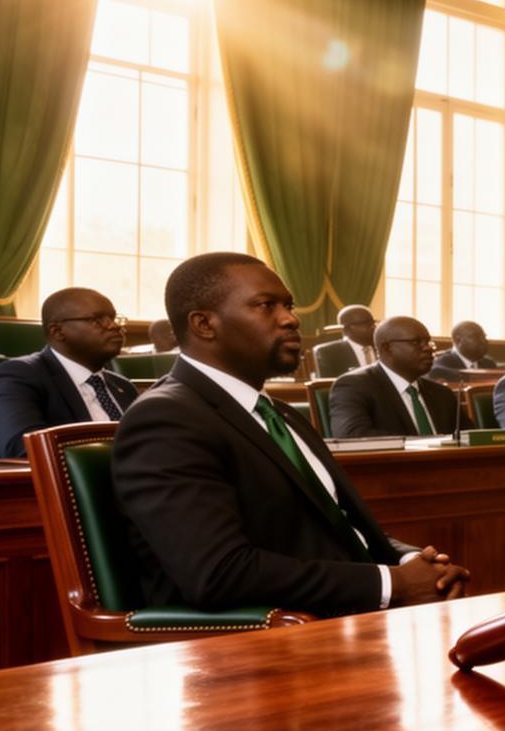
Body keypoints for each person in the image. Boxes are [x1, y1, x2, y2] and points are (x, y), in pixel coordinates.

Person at [112, 253, 468, 616]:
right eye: (266, 306)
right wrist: (394, 584)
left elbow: (334, 529)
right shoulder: (166, 418)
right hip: (255, 645)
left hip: (344, 618)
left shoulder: (277, 412)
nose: (291, 319)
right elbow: (219, 572)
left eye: (289, 305)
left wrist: (410, 563)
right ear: (204, 324)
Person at [0, 287, 139, 459]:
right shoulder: (19, 376)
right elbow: (26, 451)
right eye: (97, 320)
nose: (114, 326)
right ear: (57, 331)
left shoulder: (123, 386)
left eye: (113, 318)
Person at [327, 316, 462, 438]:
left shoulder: (442, 394)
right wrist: (422, 444)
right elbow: (353, 436)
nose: (427, 348)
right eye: (416, 342)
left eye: (428, 342)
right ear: (387, 348)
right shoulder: (354, 386)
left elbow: (468, 437)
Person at [313, 304, 378, 378]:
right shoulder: (327, 352)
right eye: (366, 323)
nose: (374, 326)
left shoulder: (382, 347)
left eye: (373, 322)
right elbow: (325, 385)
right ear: (346, 329)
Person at [431, 321, 498, 381]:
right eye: (476, 337)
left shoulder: (489, 363)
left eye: (484, 337)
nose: (483, 341)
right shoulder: (443, 362)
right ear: (458, 340)